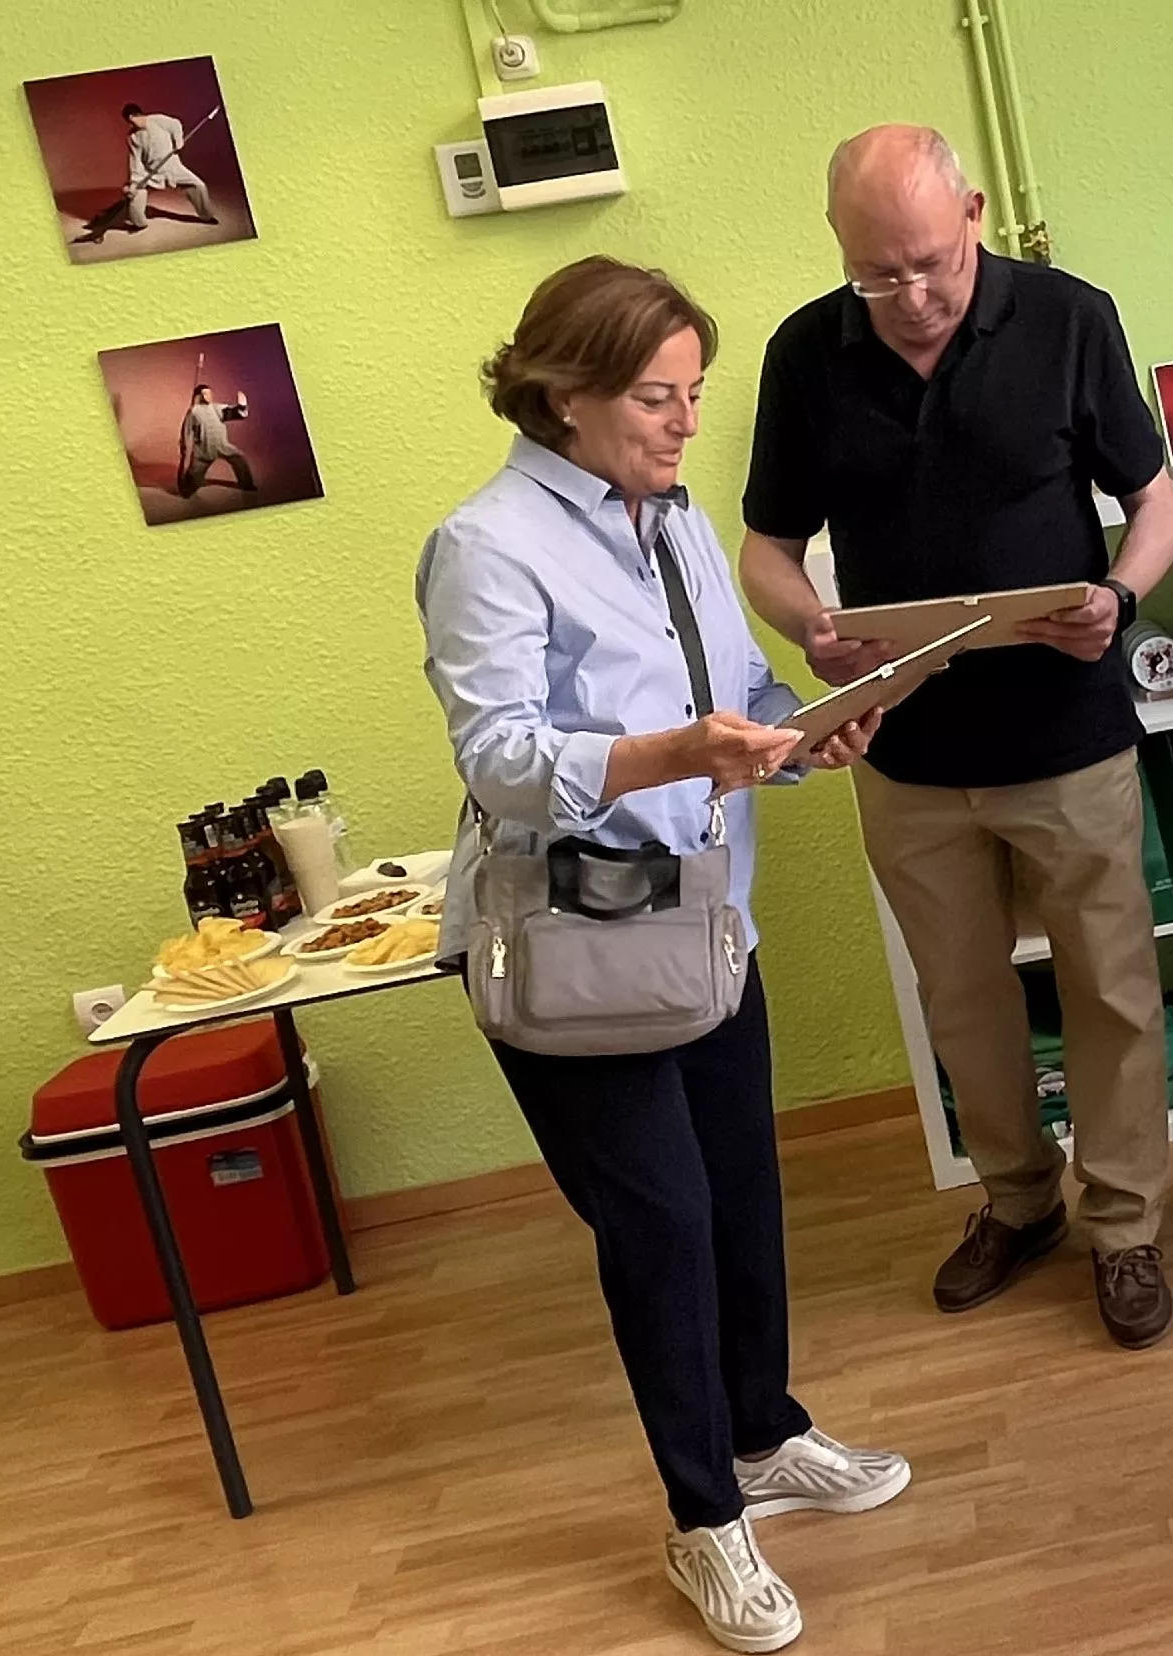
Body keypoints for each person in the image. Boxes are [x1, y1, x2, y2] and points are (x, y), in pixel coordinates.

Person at [419, 255, 908, 1652]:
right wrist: (683, 752)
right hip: (571, 939)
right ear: (563, 392)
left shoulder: (675, 520)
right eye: (656, 395)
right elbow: (503, 759)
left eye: (693, 393)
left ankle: (763, 1437)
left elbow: (733, 697)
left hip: (700, 918)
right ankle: (707, 1522)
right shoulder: (491, 544)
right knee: (663, 1228)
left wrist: (807, 722)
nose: (687, 421)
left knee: (744, 1198)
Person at [737, 125, 1173, 1350]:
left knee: (1113, 992)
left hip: (1070, 737)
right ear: (840, 252)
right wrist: (812, 628)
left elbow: (1152, 502)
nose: (912, 297)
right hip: (907, 754)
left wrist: (1122, 599)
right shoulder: (804, 353)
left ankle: (1127, 1227)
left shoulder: (1069, 318)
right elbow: (766, 551)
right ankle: (1017, 1200)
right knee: (964, 1000)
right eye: (877, 275)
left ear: (976, 215)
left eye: (930, 262)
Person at [122, 103, 216, 230]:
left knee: (198, 185)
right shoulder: (133, 137)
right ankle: (139, 223)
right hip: (152, 171)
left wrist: (178, 141)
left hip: (172, 166)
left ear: (134, 116)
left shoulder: (157, 120)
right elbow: (136, 160)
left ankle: (206, 216)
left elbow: (175, 124)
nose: (131, 125)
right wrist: (135, 181)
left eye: (130, 121)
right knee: (137, 192)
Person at [176, 383, 255, 496]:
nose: (208, 396)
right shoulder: (194, 411)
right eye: (205, 394)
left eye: (209, 393)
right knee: (193, 478)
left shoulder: (216, 408)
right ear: (199, 396)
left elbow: (230, 412)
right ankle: (187, 490)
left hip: (221, 445)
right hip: (204, 450)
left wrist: (241, 406)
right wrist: (184, 448)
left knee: (239, 459)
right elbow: (186, 431)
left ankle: (247, 484)